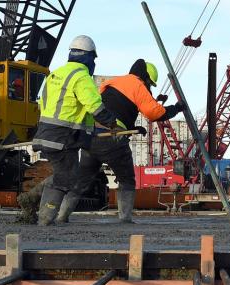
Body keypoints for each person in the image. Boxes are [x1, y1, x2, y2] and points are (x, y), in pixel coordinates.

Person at [54, 59, 184, 224]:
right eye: (150, 83)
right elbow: (154, 113)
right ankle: (125, 219)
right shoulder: (138, 85)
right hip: (113, 139)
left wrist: (133, 127)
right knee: (126, 179)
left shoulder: (113, 82)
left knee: (81, 181)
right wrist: (176, 108)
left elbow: (113, 108)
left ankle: (61, 216)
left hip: (92, 136)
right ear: (145, 77)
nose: (149, 87)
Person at [31, 35, 118, 226]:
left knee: (65, 174)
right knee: (66, 179)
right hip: (63, 137)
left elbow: (47, 104)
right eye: (93, 59)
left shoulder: (55, 75)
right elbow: (95, 107)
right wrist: (113, 124)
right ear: (88, 57)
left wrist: (87, 131)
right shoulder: (81, 77)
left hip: (46, 133)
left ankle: (31, 201)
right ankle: (44, 219)